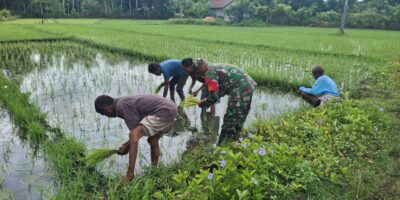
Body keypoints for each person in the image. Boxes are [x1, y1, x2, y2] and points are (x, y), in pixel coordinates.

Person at [94, 94, 177, 182]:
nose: (108, 116)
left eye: (105, 114)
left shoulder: (121, 106)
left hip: (164, 110)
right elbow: (138, 131)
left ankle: (130, 175)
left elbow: (135, 135)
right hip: (170, 109)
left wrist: (127, 146)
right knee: (153, 140)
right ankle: (154, 171)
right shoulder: (121, 102)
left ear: (106, 109)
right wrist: (126, 145)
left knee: (133, 135)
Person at [181, 58, 256, 145]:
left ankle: (222, 149)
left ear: (200, 68)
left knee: (230, 120)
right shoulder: (210, 69)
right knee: (239, 118)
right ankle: (235, 143)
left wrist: (204, 102)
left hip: (241, 87)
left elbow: (214, 95)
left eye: (187, 70)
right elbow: (216, 88)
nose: (187, 73)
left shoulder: (209, 74)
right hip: (246, 84)